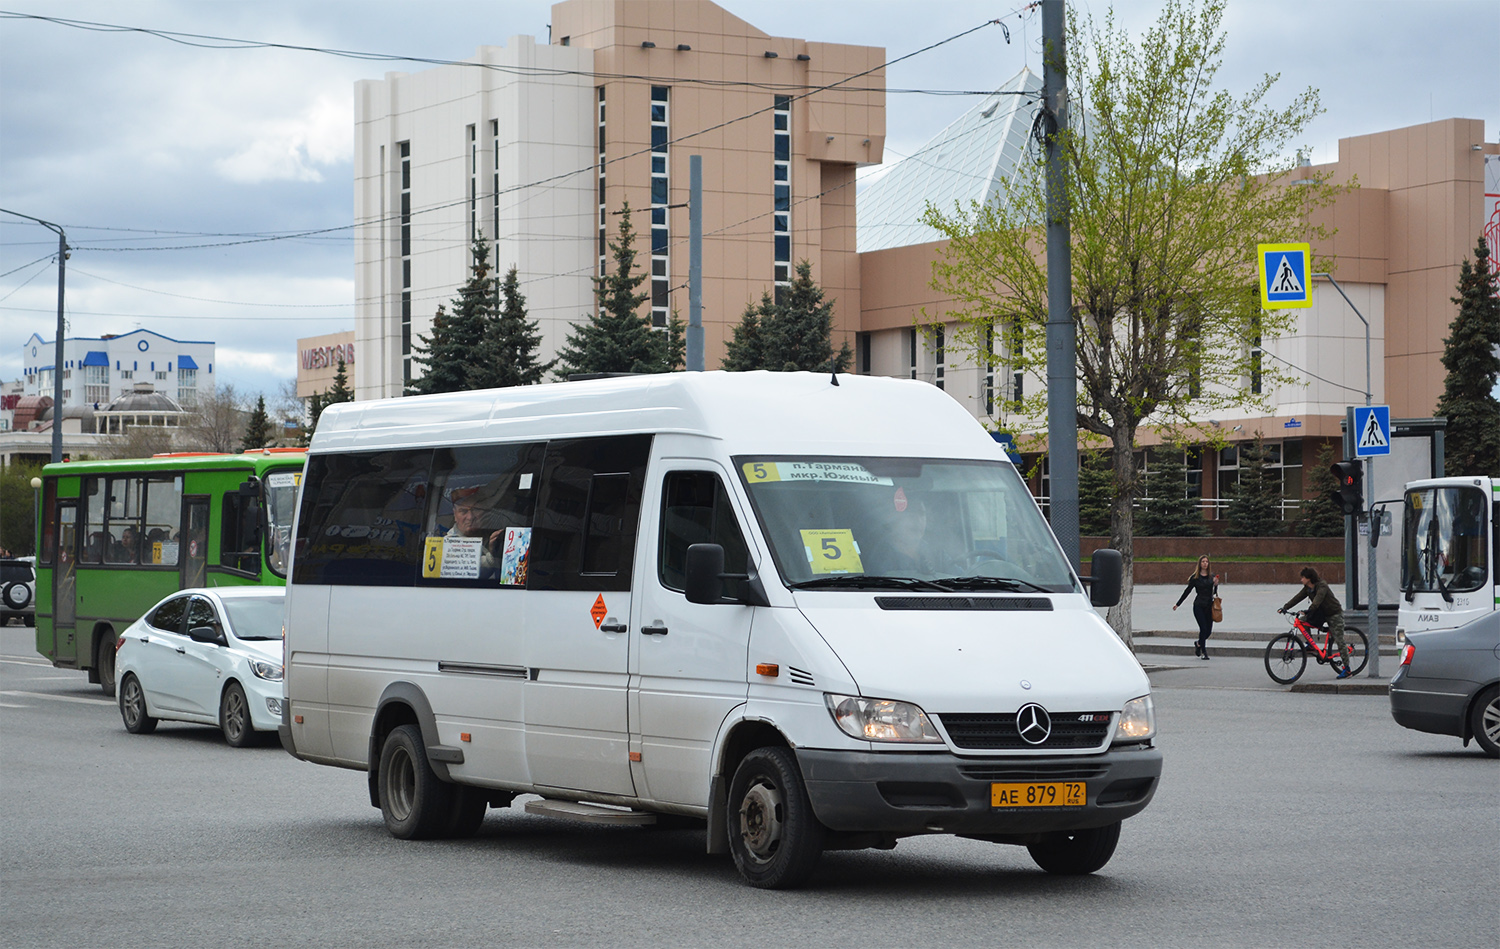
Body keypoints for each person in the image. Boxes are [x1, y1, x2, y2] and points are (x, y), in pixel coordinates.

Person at [1279, 566, 1351, 677]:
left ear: (1309, 578)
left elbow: (1318, 600)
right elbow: (1297, 597)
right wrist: (1285, 607)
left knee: (1339, 641)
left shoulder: (1322, 585)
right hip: (1321, 614)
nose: (1301, 580)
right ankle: (1311, 645)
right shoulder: (1307, 588)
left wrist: (1309, 610)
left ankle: (1347, 669)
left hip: (1334, 613)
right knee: (1302, 622)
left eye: (1302, 577)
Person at [1172, 555, 1219, 659]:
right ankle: (1204, 652)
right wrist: (1178, 604)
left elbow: (1214, 593)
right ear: (1200, 564)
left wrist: (1216, 585)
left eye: (1207, 561)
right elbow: (1187, 591)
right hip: (1198, 606)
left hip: (1209, 606)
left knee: (1209, 631)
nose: (1205, 563)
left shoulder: (1212, 576)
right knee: (1203, 628)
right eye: (1203, 561)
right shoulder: (1195, 577)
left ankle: (1198, 644)